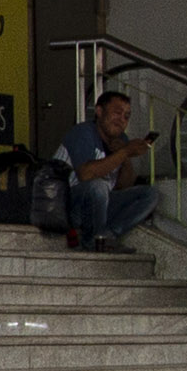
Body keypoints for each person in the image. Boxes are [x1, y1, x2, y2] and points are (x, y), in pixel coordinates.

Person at [59, 88, 159, 252]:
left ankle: (106, 236)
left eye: (126, 116)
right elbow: (85, 174)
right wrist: (124, 152)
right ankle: (92, 240)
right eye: (117, 113)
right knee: (98, 186)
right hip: (68, 204)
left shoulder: (121, 140)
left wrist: (125, 157)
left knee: (150, 194)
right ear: (99, 111)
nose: (121, 120)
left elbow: (123, 186)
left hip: (99, 207)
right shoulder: (83, 132)